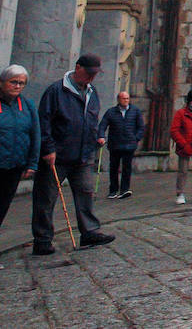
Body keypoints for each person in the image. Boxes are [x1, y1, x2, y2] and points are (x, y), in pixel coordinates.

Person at [32, 54, 115, 255]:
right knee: (46, 197)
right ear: (78, 68)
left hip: (84, 154)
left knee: (86, 193)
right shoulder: (56, 91)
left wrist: (95, 139)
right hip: (57, 155)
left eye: (94, 74)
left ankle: (90, 231)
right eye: (89, 73)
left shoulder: (92, 91)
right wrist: (48, 148)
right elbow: (44, 121)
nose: (91, 78)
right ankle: (42, 239)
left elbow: (92, 118)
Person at [0, 65, 39, 230]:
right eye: (13, 82)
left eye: (21, 83)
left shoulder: (27, 105)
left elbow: (35, 134)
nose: (17, 86)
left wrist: (32, 163)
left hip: (15, 165)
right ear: (2, 82)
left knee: (3, 205)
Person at [98, 91, 144, 200]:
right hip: (115, 144)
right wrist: (101, 136)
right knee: (114, 168)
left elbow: (141, 127)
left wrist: (136, 138)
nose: (126, 100)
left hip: (129, 144)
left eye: (127, 98)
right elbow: (102, 125)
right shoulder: (111, 112)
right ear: (119, 99)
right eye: (124, 98)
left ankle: (124, 189)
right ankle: (113, 190)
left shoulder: (135, 111)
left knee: (127, 168)